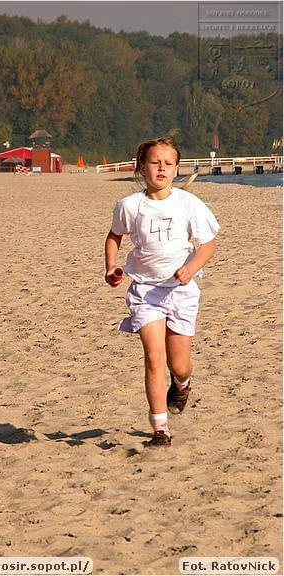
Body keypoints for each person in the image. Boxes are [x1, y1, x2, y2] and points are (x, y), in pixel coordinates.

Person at [104, 135, 220, 447]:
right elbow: (114, 236)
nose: (161, 168)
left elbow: (207, 244)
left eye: (168, 164)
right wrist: (112, 267)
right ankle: (160, 428)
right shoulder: (130, 206)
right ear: (142, 167)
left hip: (181, 292)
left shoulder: (188, 203)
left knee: (178, 364)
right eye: (155, 162)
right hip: (145, 292)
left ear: (176, 169)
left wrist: (192, 267)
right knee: (154, 357)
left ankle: (182, 384)